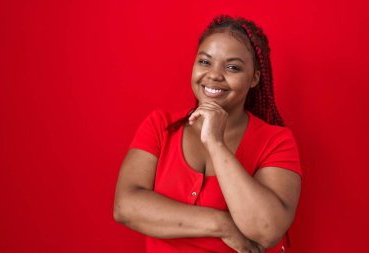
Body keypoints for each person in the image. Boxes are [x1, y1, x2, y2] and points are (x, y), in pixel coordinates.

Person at [114, 15, 302, 253]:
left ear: (254, 78)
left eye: (232, 67)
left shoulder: (276, 141)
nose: (214, 75)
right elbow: (126, 206)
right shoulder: (160, 126)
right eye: (205, 62)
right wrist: (221, 225)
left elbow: (266, 229)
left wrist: (215, 142)